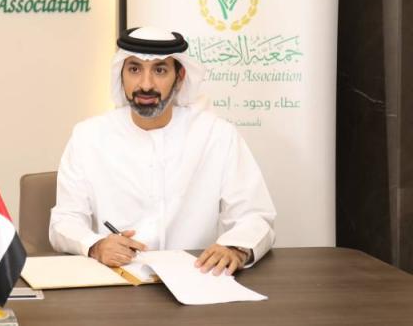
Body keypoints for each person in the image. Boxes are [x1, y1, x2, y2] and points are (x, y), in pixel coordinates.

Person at [49, 26, 276, 276]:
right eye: (134, 69)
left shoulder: (217, 135)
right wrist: (95, 245)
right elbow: (65, 220)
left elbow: (254, 215)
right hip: (117, 279)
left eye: (160, 70)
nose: (146, 85)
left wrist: (234, 248)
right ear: (121, 75)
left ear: (179, 77)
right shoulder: (88, 136)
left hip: (196, 277)